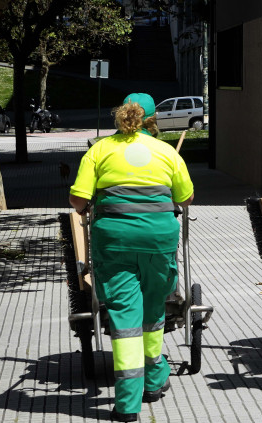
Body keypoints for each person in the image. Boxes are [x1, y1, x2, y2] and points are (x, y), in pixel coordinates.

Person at [68, 93, 194, 422]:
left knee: (125, 320)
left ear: (120, 115)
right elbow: (187, 197)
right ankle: (153, 380)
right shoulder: (166, 152)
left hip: (115, 243)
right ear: (154, 120)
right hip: (157, 243)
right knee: (153, 311)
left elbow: (78, 202)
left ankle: (127, 405)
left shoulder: (100, 150)